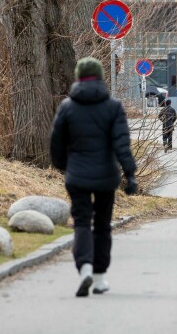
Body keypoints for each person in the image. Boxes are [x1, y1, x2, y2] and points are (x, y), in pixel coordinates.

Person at [50, 56, 138, 298]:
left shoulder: (67, 107)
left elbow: (56, 144)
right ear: (100, 77)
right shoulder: (113, 107)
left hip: (76, 175)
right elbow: (122, 145)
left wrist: (65, 167)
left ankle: (85, 268)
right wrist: (130, 174)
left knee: (81, 223)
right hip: (105, 176)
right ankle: (99, 278)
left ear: (78, 77)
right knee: (102, 225)